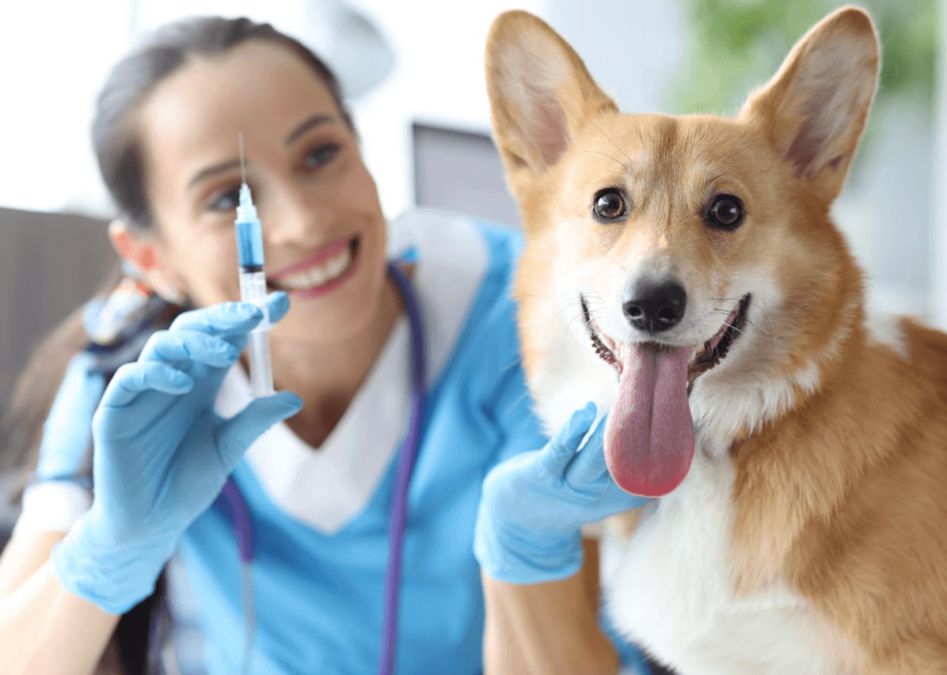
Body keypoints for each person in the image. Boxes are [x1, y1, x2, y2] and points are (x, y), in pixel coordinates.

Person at [0, 16, 645, 675]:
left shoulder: (522, 310)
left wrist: (524, 546)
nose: (305, 222)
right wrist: (111, 551)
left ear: (362, 150)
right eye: (227, 198)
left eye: (319, 154)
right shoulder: (130, 381)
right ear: (151, 257)